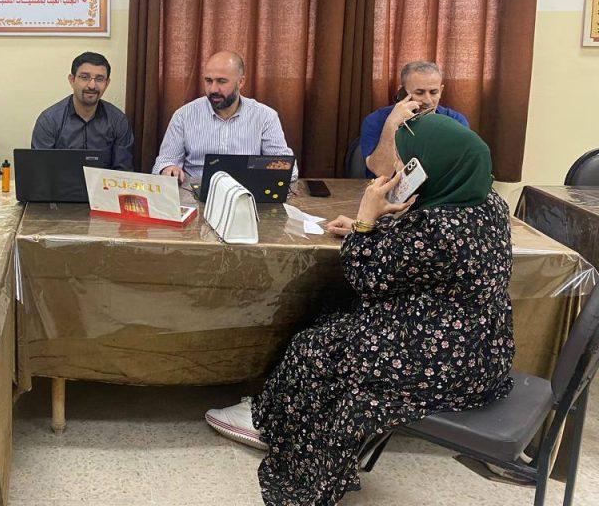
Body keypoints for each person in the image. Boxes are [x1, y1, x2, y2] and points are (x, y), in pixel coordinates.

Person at [205, 114, 514, 506]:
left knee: (313, 346)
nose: (398, 169)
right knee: (332, 321)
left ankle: (268, 422)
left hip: (440, 361)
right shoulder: (485, 202)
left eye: (405, 162)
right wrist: (366, 228)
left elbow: (365, 278)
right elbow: (420, 253)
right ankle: (277, 415)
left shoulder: (439, 227)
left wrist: (366, 220)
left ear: (430, 166)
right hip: (480, 347)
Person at [152, 51, 296, 182]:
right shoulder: (184, 116)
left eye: (222, 81)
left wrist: (267, 169)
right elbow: (164, 162)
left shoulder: (265, 117)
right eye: (208, 81)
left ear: (241, 82)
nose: (213, 89)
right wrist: (169, 169)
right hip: (194, 192)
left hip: (246, 192)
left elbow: (288, 168)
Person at [361, 60, 469, 178]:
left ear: (441, 91)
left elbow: (460, 170)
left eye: (433, 92)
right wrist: (392, 124)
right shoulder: (375, 120)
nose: (428, 101)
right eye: (419, 93)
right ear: (402, 92)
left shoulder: (456, 121)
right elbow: (382, 172)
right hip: (387, 187)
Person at [31, 52, 134, 170]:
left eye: (99, 79)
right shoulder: (49, 121)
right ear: (72, 80)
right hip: (60, 182)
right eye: (85, 77)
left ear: (107, 83)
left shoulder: (118, 121)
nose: (92, 85)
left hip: (103, 182)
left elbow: (123, 172)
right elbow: (40, 171)